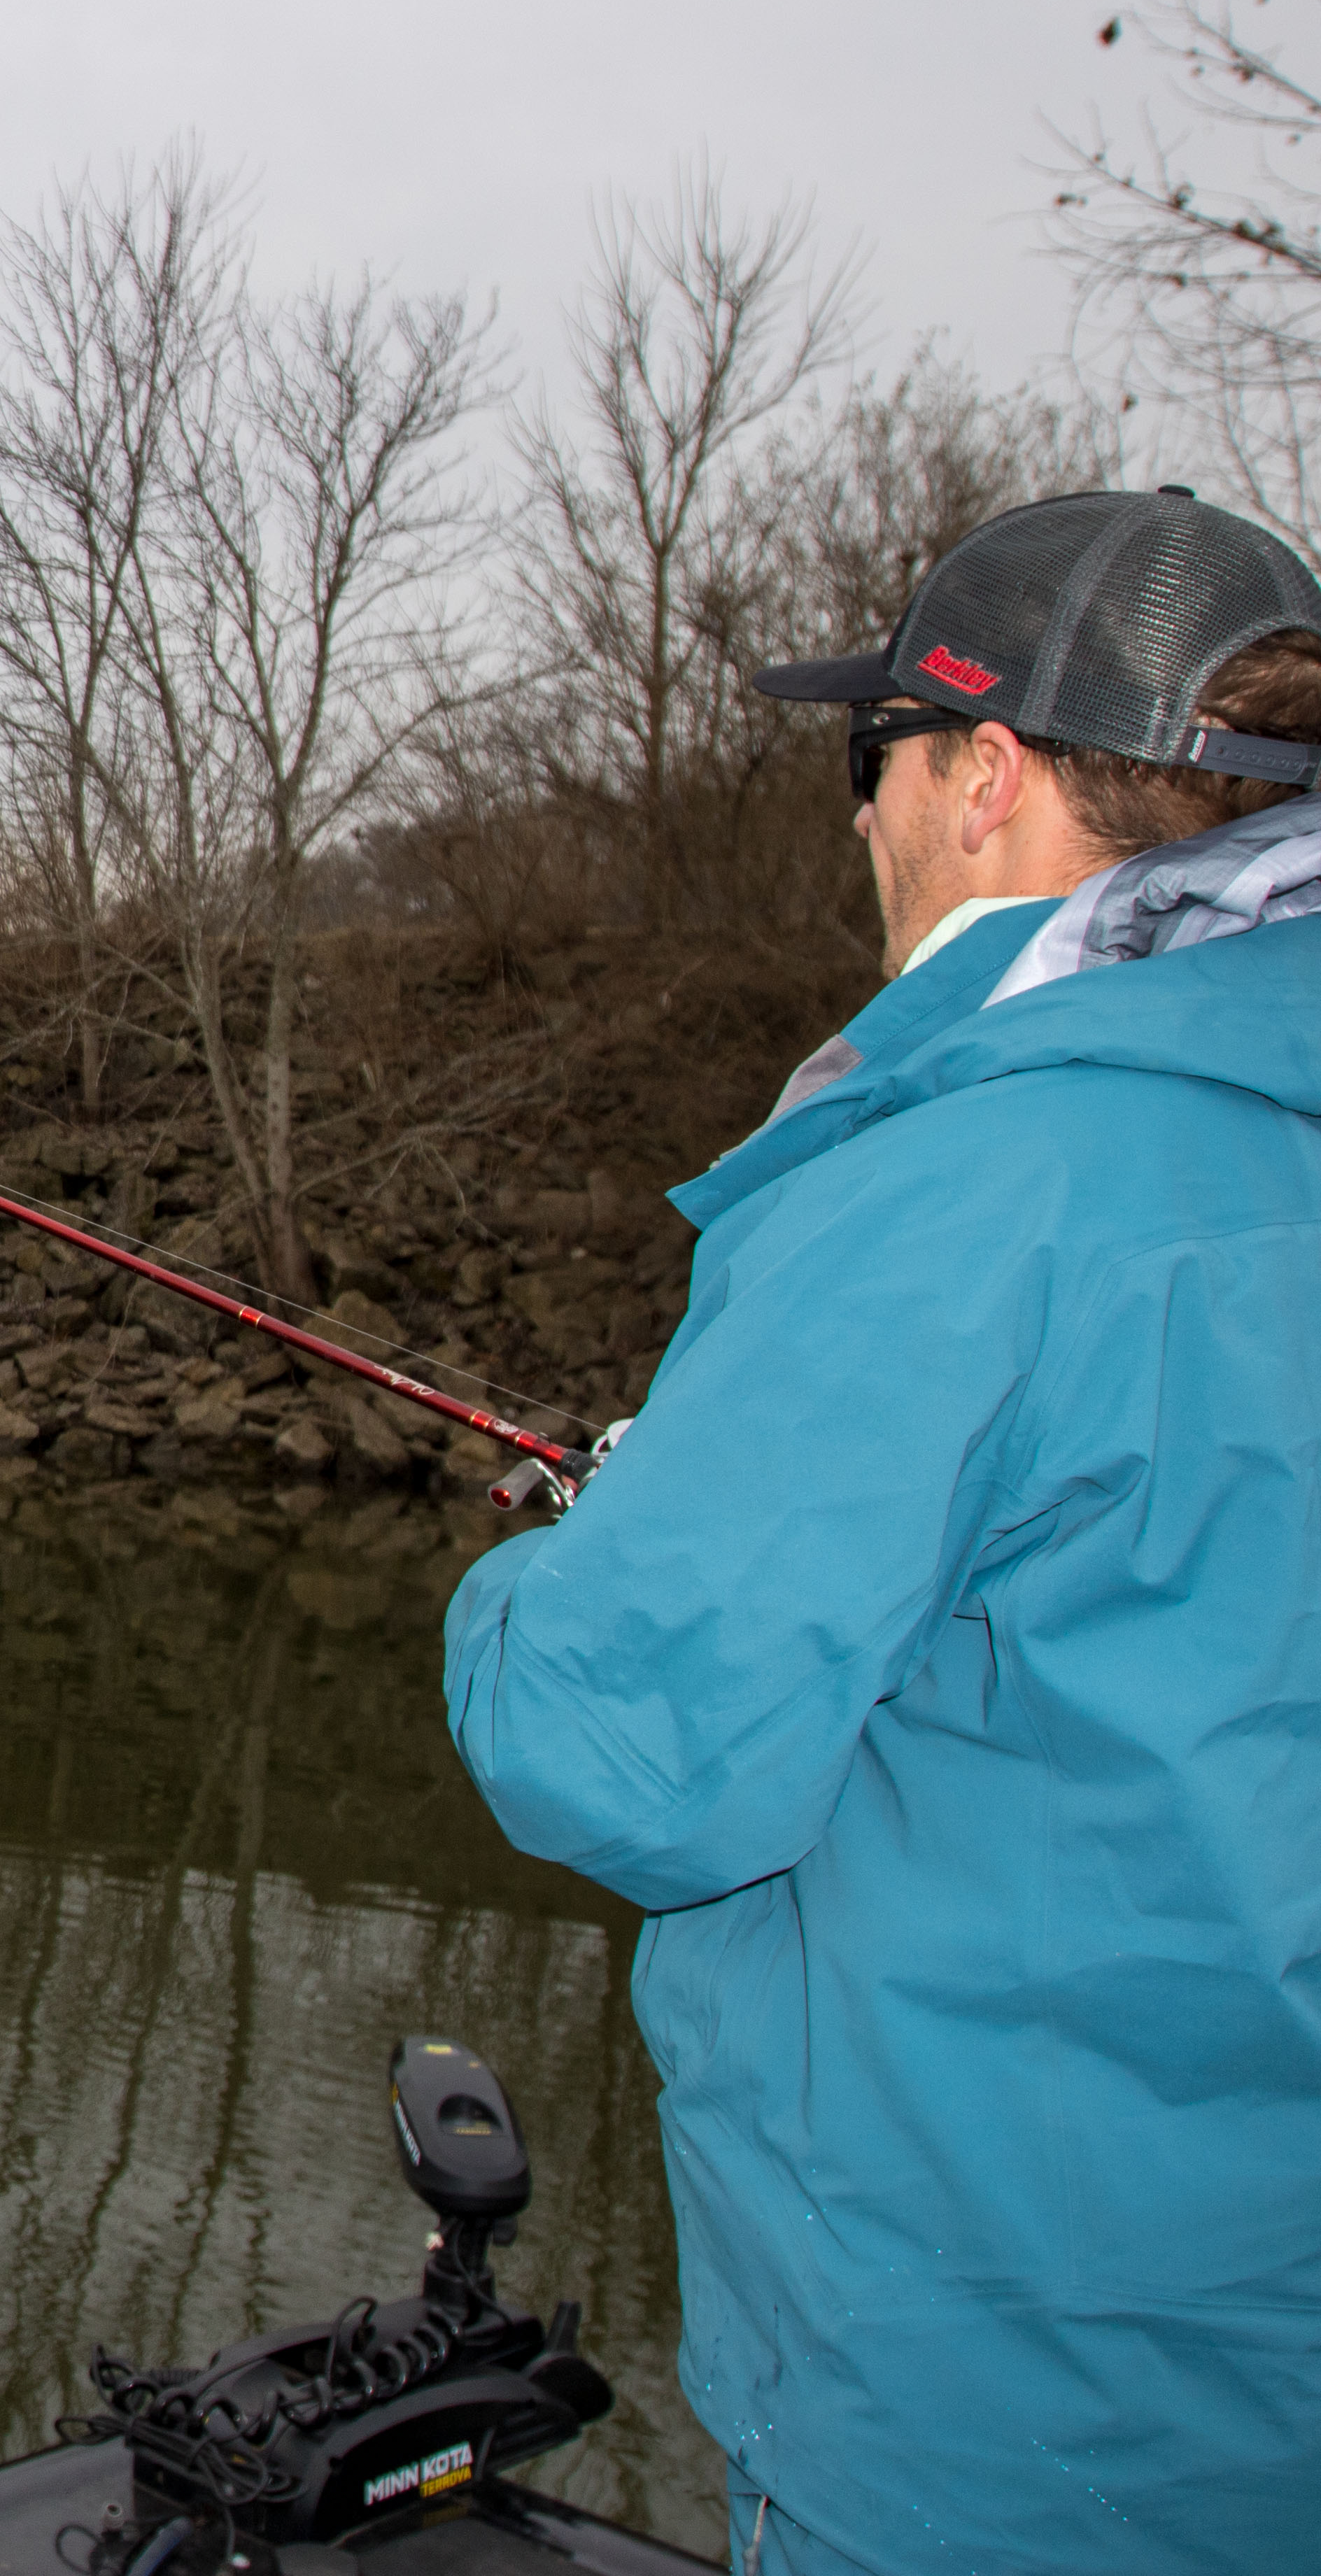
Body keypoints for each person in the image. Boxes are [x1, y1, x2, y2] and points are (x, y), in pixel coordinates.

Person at [439, 488, 1321, 2573]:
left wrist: (547, 1567)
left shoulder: (956, 1186)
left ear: (986, 778)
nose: (859, 822)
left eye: (879, 762)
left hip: (1026, 2395)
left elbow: (625, 1752)